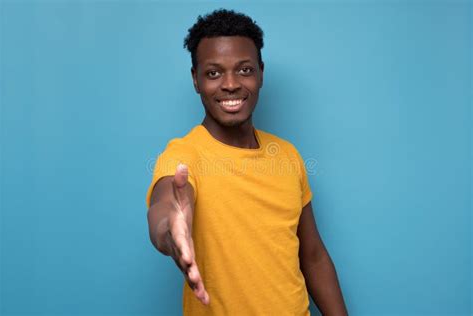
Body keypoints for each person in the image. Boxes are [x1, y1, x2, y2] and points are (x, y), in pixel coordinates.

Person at [146, 9, 348, 315]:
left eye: (244, 70)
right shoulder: (184, 156)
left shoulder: (287, 155)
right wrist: (172, 231)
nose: (230, 84)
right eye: (213, 73)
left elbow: (314, 256)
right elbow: (165, 208)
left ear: (261, 73)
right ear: (196, 80)